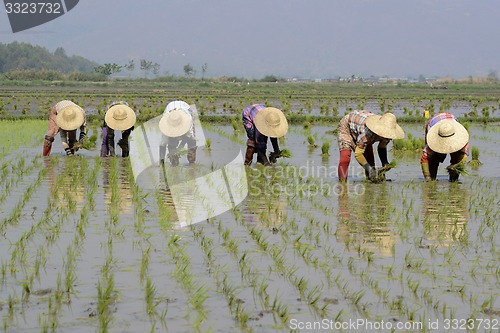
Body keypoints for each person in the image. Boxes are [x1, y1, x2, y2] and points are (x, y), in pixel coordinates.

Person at [337, 111, 404, 182]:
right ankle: (342, 183)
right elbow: (358, 154)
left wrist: (385, 163)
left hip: (360, 127)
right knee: (345, 157)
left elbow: (382, 147)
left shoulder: (389, 134)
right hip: (347, 126)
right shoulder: (367, 132)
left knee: (370, 159)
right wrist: (369, 169)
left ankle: (371, 180)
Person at [420, 112, 469, 182]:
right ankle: (431, 178)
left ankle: (453, 180)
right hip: (434, 124)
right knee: (433, 158)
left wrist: (456, 166)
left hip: (450, 123)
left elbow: (464, 154)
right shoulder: (433, 135)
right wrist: (427, 177)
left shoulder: (461, 137)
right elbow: (425, 157)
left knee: (457, 156)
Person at [159, 101, 197, 166]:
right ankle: (174, 163)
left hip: (185, 108)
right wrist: (161, 163)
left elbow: (189, 135)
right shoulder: (165, 125)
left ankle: (192, 162)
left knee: (192, 141)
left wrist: (179, 149)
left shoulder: (188, 119)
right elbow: (162, 145)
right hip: (170, 108)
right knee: (173, 154)